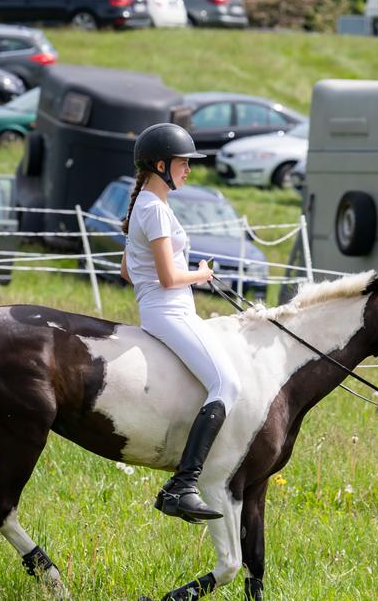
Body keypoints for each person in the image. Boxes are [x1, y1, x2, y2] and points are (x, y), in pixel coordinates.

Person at [119, 123, 241, 523]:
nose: (188, 169)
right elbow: (170, 279)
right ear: (160, 165)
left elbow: (126, 270)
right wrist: (202, 273)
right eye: (183, 162)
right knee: (227, 383)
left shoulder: (148, 206)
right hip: (169, 311)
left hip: (167, 309)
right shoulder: (154, 209)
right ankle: (183, 484)